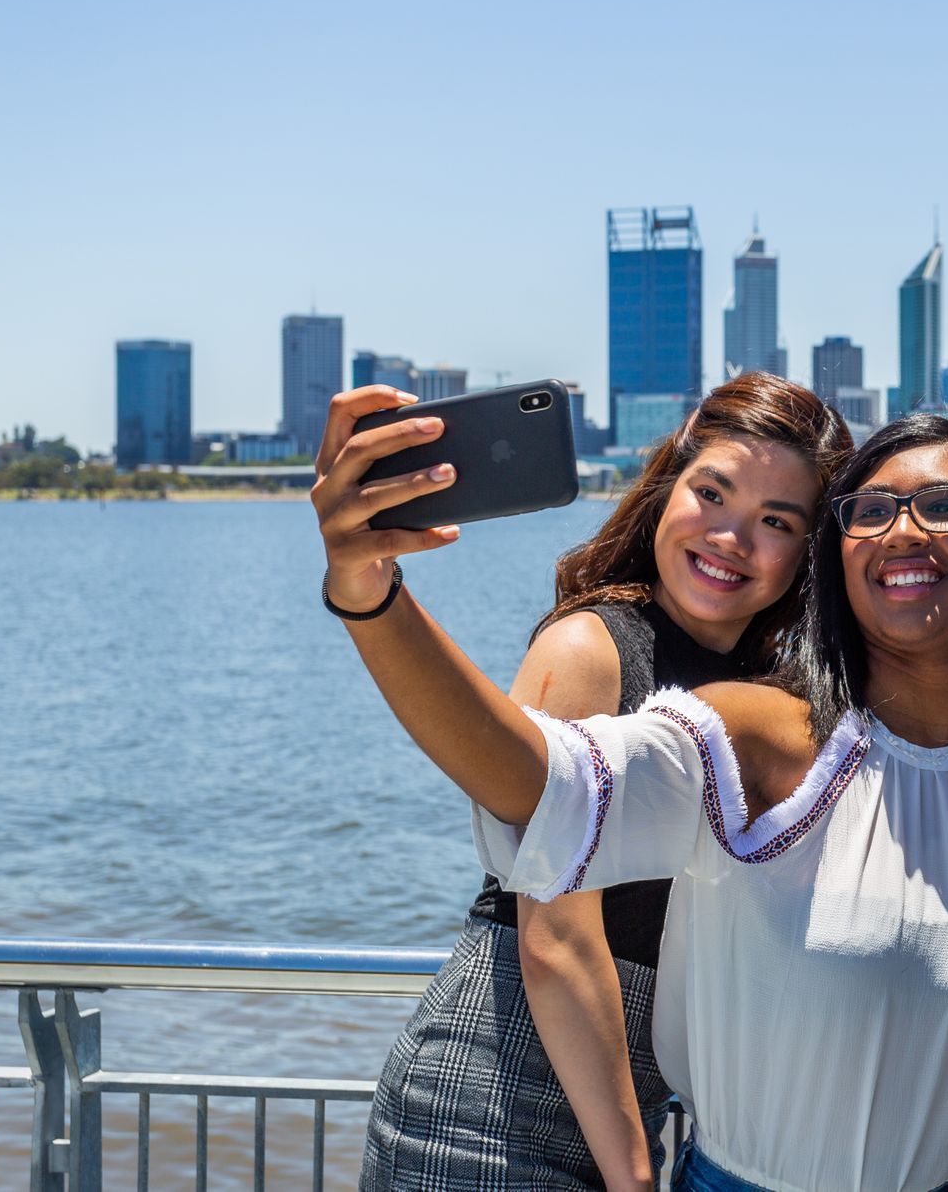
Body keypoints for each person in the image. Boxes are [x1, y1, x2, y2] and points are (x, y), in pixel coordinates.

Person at [315, 409, 948, 1192]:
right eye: (872, 511)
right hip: (500, 1115)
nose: (903, 532)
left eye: (946, 504)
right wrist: (371, 593)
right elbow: (542, 789)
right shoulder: (751, 733)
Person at [337, 372, 852, 1191]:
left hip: (624, 1106)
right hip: (494, 1104)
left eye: (775, 521)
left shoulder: (774, 688)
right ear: (666, 489)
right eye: (711, 493)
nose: (730, 537)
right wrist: (633, 1173)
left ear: (809, 551)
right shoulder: (594, 647)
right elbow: (557, 940)